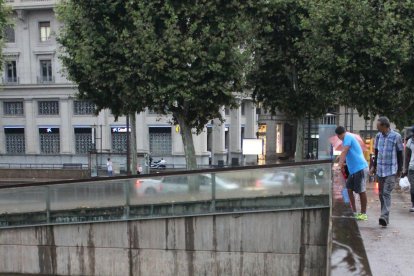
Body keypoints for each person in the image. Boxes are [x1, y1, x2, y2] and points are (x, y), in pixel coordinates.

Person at [370, 116, 403, 227]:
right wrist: (373, 166)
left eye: (378, 126)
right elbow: (376, 152)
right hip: (380, 170)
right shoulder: (378, 136)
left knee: (386, 193)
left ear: (384, 126)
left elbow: (400, 154)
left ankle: (383, 216)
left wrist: (400, 169)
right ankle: (385, 218)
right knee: (380, 194)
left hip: (391, 170)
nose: (377, 128)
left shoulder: (396, 136)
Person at [336, 126, 369, 221]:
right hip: (353, 170)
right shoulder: (347, 138)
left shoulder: (348, 138)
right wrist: (340, 160)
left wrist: (339, 166)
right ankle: (353, 211)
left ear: (339, 135)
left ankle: (363, 213)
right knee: (349, 189)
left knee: (361, 190)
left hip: (360, 168)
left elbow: (344, 151)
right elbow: (345, 153)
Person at [403, 126, 414, 212]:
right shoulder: (410, 142)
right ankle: (413, 204)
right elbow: (407, 157)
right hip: (412, 168)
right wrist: (405, 169)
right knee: (413, 187)